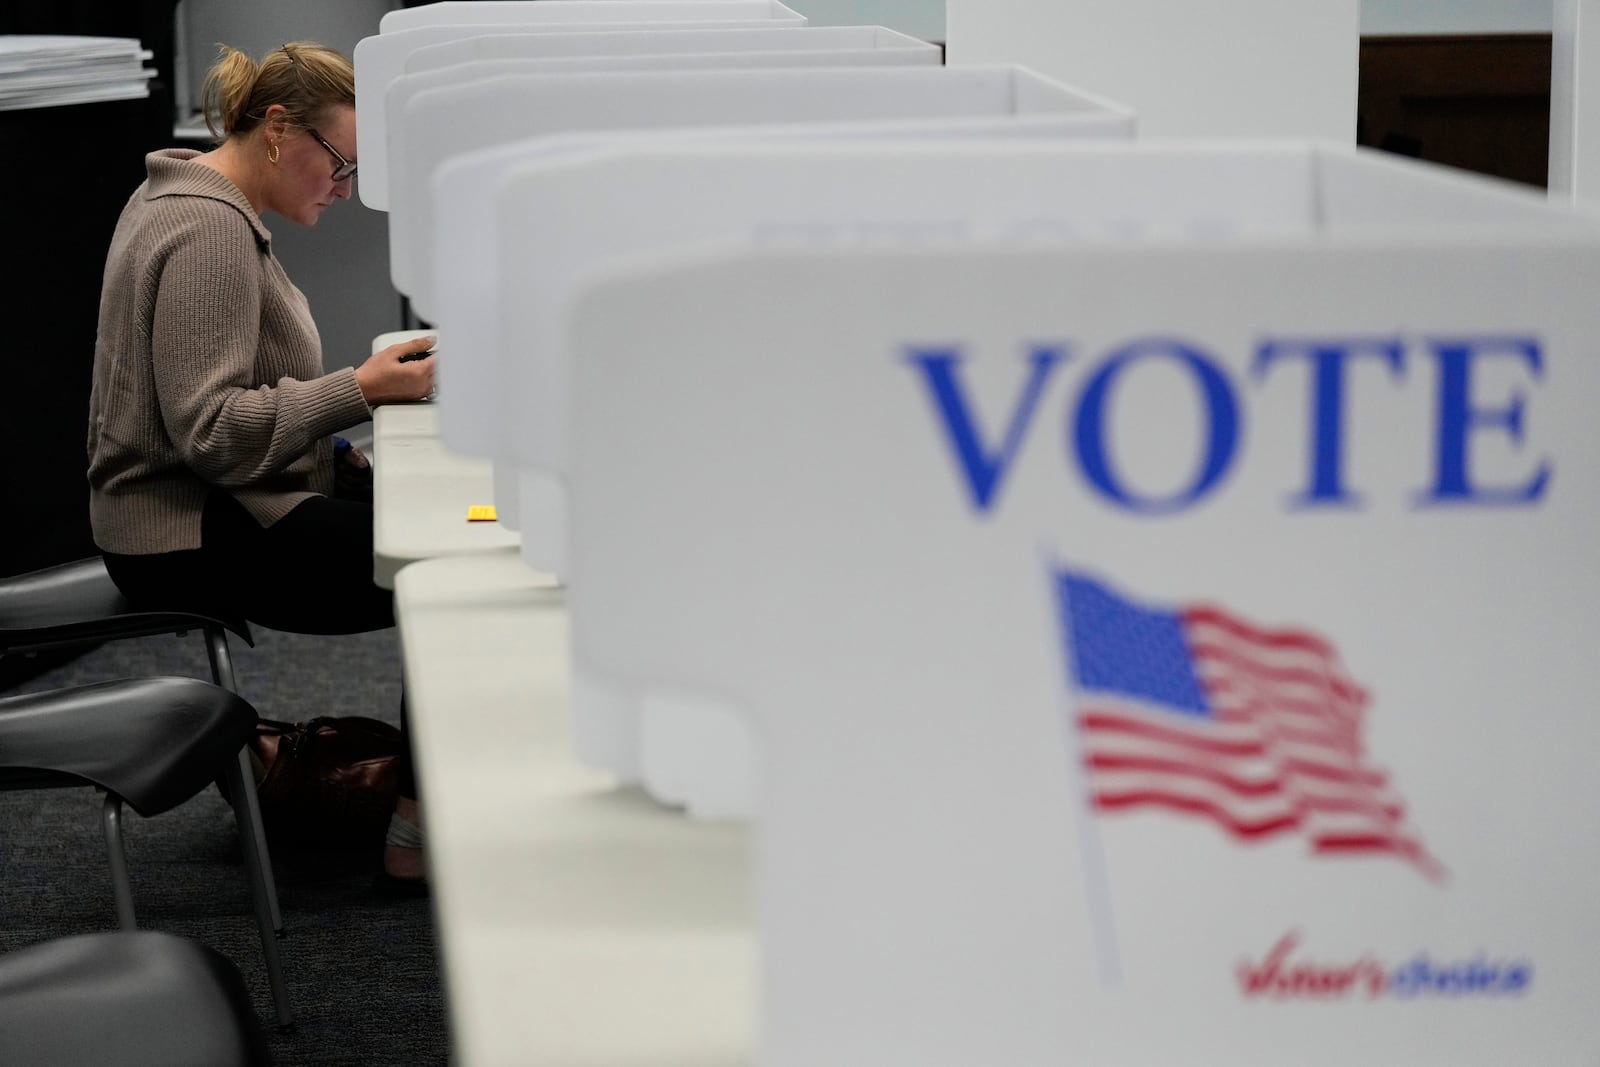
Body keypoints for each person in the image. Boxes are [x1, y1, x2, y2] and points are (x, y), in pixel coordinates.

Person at [86, 41, 434, 894]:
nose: (345, 189)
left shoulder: (191, 200)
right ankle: (414, 835)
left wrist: (343, 440)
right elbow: (209, 430)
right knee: (439, 571)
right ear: (279, 129)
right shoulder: (207, 230)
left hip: (208, 504)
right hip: (182, 529)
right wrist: (358, 390)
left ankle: (419, 811)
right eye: (340, 163)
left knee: (421, 533)